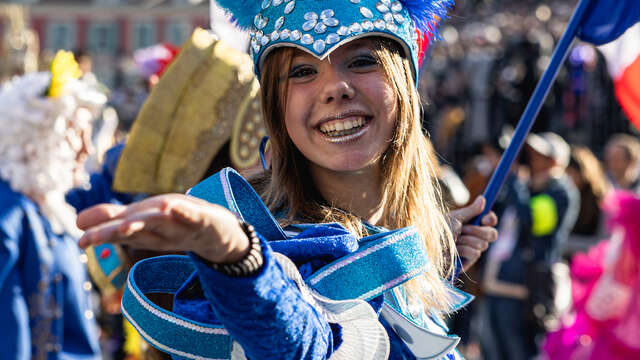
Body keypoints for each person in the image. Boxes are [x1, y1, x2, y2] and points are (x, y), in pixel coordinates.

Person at [76, 0, 498, 358]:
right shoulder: (271, 240)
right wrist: (238, 259)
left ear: (404, 83)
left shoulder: (406, 245)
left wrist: (426, 260)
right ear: (275, 109)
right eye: (301, 71)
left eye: (362, 60)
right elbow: (307, 339)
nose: (335, 87)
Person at [0, 51, 106, 359]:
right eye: (77, 134)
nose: (87, 148)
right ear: (40, 137)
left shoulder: (49, 210)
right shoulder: (10, 215)